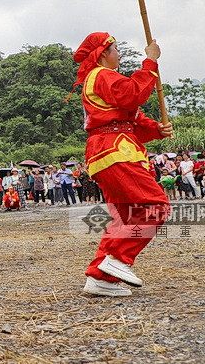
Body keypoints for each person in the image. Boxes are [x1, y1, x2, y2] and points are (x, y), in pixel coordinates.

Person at [72, 33, 172, 298]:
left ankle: (101, 277)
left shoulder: (100, 79)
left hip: (110, 148)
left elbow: (131, 118)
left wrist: (156, 129)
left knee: (126, 215)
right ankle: (117, 260)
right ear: (104, 52)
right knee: (155, 206)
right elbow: (132, 95)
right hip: (114, 150)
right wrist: (149, 62)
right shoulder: (102, 75)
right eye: (116, 48)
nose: (119, 53)